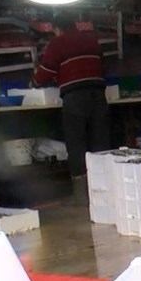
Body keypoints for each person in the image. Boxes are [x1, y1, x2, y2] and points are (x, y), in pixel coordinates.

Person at [33, 13, 109, 182]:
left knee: (76, 142)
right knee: (100, 141)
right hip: (98, 95)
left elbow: (46, 70)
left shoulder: (58, 43)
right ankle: (104, 185)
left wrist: (35, 83)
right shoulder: (92, 41)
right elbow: (103, 67)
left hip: (75, 97)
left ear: (56, 28)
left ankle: (81, 191)